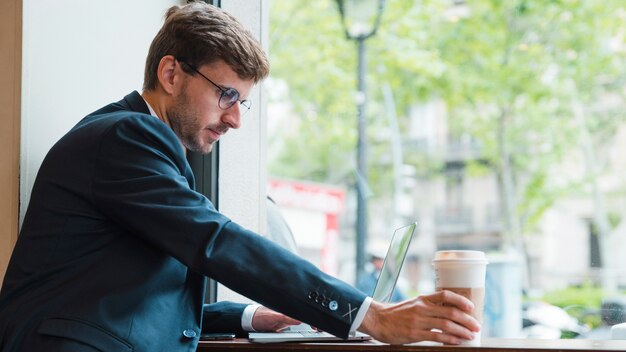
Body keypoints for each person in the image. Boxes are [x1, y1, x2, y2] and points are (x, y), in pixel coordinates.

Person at [0, 2, 480, 351]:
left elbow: (124, 298)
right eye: (227, 95)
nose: (235, 120)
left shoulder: (134, 144)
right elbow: (217, 242)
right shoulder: (127, 137)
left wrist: (253, 316)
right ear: (171, 74)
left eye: (242, 102)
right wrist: (367, 315)